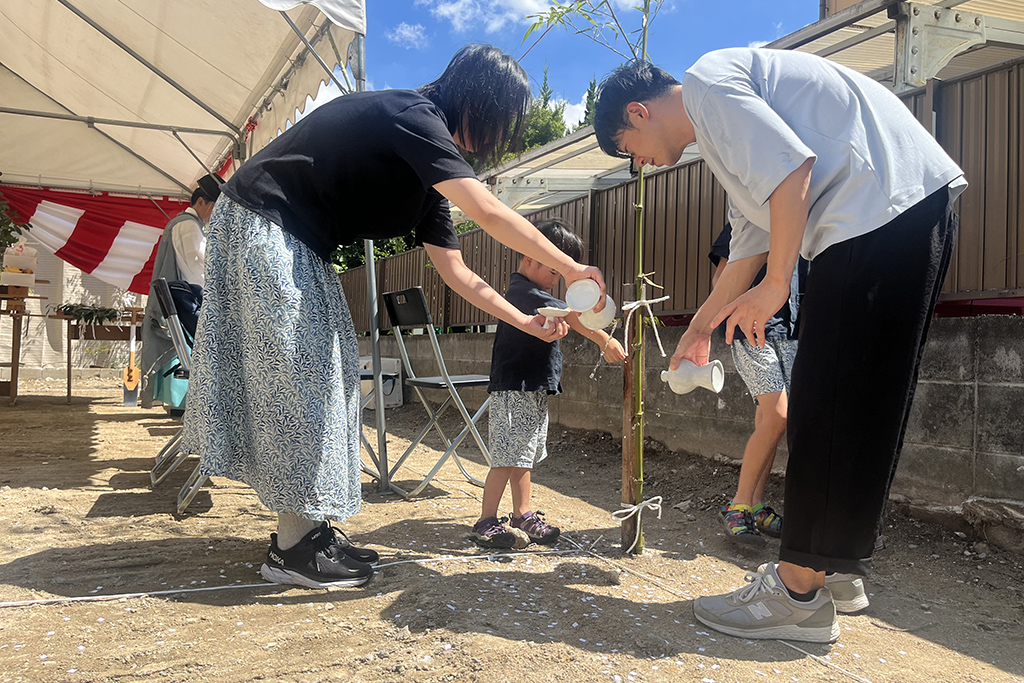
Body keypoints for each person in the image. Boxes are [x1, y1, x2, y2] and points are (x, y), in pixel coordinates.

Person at [181, 45, 607, 590]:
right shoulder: (416, 117)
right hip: (266, 224)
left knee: (329, 379)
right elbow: (487, 209)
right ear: (475, 100)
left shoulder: (427, 173)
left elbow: (457, 272)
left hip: (296, 241)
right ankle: (291, 550)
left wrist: (524, 322)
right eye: (500, 119)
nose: (498, 136)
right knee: (302, 381)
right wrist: (572, 267)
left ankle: (308, 530)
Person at [594, 48, 964, 642]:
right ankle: (830, 570)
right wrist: (699, 330)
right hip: (901, 205)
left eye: (627, 152)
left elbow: (794, 172)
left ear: (639, 113)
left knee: (825, 405)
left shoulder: (706, 82)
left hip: (873, 214)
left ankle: (796, 595)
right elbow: (751, 239)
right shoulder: (722, 128)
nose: (638, 165)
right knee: (859, 404)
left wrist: (775, 285)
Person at [471, 219, 627, 549]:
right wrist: (604, 340)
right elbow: (570, 315)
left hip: (531, 388)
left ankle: (522, 514)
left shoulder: (532, 292)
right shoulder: (522, 293)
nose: (557, 278)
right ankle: (486, 520)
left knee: (522, 455)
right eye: (553, 270)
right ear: (529, 258)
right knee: (505, 458)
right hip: (515, 388)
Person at [709, 224, 805, 548]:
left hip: (788, 333)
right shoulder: (744, 220)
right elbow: (720, 280)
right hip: (750, 330)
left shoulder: (803, 225)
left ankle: (756, 505)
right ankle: (737, 506)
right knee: (778, 415)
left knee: (772, 420)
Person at [140, 172, 222, 410]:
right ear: (201, 202)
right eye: (213, 207)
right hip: (188, 298)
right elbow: (196, 265)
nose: (213, 214)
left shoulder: (186, 224)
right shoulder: (188, 225)